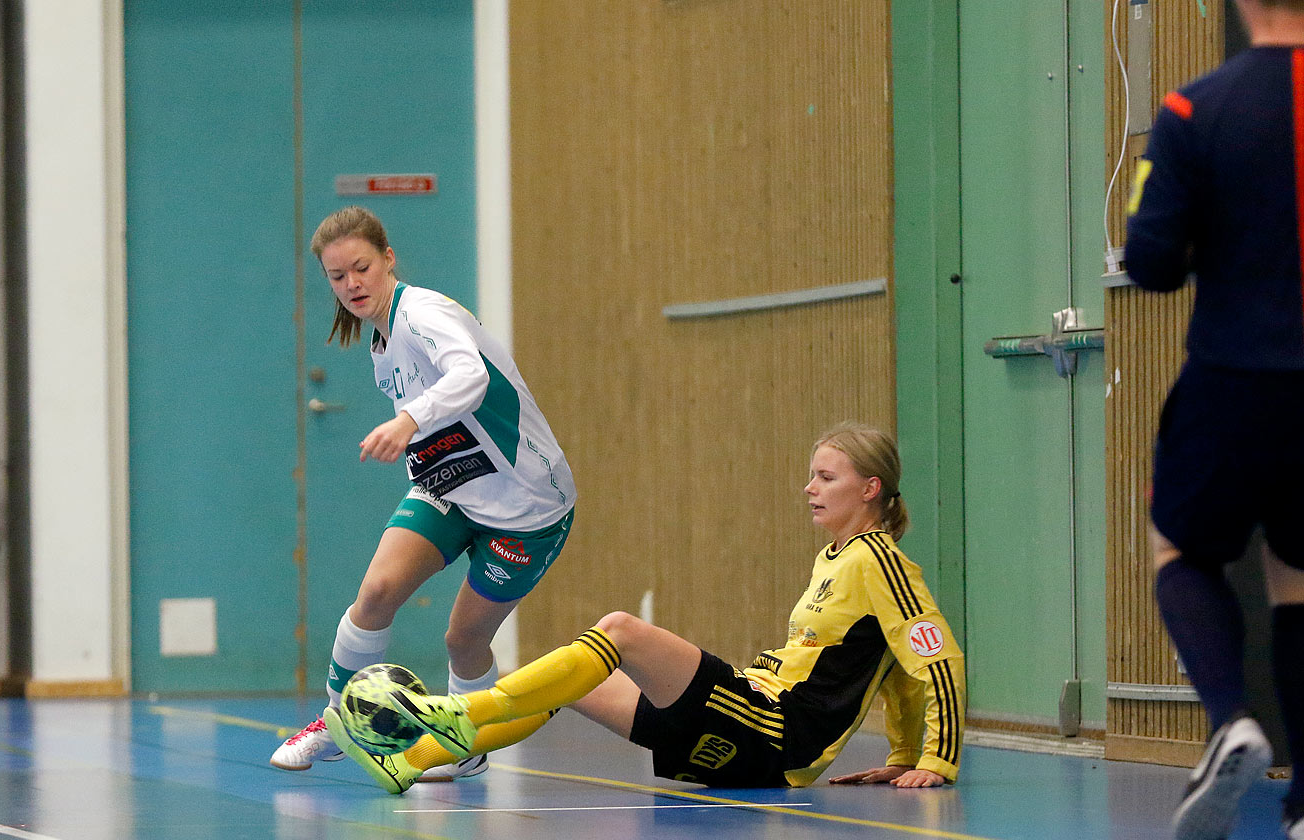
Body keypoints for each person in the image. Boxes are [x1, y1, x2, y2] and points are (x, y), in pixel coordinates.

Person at [322, 422, 965, 795]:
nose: (810, 487)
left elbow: (933, 661)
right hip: (744, 725)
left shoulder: (880, 561)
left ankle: (456, 711)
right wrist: (902, 754)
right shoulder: (835, 558)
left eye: (827, 477)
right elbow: (890, 670)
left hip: (774, 732)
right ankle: (416, 759)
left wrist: (934, 759)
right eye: (812, 474)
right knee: (571, 680)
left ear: (870, 488)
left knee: (620, 631)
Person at [270, 206, 576, 781]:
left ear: (388, 260)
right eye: (337, 277)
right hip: (451, 488)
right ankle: (340, 724)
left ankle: (468, 741)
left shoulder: (423, 314)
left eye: (361, 268)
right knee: (377, 591)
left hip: (525, 506)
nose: (351, 284)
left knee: (462, 639)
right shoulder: (379, 341)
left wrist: (408, 421)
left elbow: (470, 377)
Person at [1125, 0, 1304, 840]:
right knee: (1298, 577)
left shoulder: (1193, 109)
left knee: (1179, 548)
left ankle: (1231, 721)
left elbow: (1153, 264)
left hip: (1233, 377)